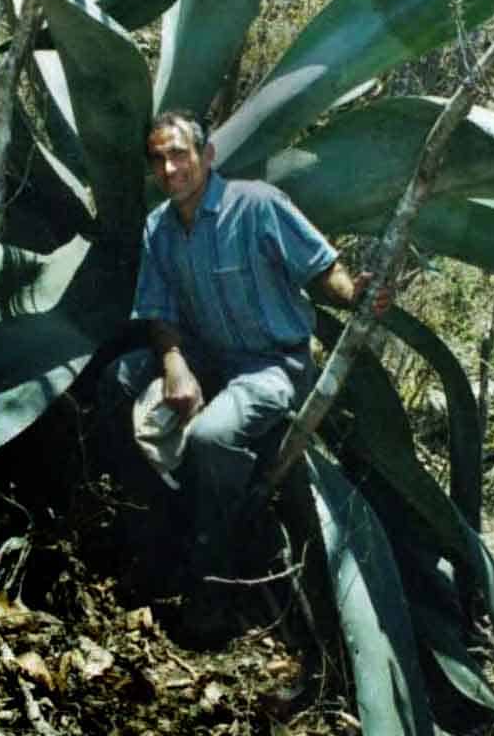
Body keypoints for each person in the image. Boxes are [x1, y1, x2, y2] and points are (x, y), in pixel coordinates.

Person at [101, 108, 390, 644]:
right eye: (159, 159)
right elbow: (158, 311)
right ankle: (152, 526)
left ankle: (213, 585)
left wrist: (356, 295)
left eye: (180, 154)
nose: (169, 169)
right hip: (206, 356)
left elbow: (321, 267)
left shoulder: (256, 205)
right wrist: (175, 365)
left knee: (211, 438)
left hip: (272, 363)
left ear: (207, 156)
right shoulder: (158, 228)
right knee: (117, 380)